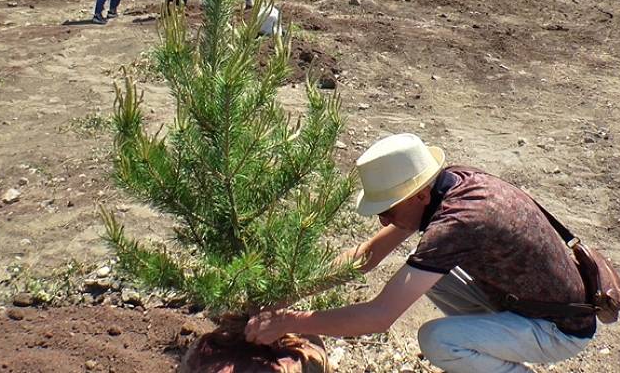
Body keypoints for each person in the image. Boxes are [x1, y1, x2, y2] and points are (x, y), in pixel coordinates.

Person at [246, 133, 596, 372]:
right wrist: (289, 293)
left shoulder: (457, 224)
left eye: (389, 209)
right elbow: (367, 257)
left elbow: (379, 317)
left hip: (559, 327)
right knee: (429, 277)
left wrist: (289, 322)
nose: (383, 219)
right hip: (531, 298)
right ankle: (487, 349)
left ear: (419, 196)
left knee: (437, 339)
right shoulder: (452, 183)